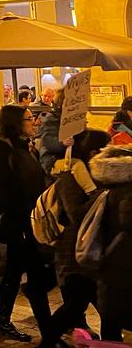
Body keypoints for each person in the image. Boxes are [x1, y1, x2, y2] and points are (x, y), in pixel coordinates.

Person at [0, 104, 52, 342]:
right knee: (34, 276)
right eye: (29, 119)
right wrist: (20, 221)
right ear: (15, 123)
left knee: (15, 273)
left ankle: (3, 322)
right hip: (19, 224)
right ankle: (49, 332)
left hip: (28, 222)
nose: (35, 123)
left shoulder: (23, 148)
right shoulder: (0, 150)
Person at [39, 129, 111, 348]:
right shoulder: (69, 174)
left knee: (103, 307)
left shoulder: (94, 174)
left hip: (90, 252)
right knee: (75, 306)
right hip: (72, 252)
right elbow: (76, 214)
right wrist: (101, 197)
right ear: (92, 152)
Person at [87, 141, 132, 342]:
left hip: (109, 267)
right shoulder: (128, 192)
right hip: (124, 267)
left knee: (111, 322)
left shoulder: (106, 187)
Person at [37, 87, 67, 173]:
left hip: (65, 156)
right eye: (45, 96)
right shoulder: (51, 118)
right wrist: (62, 143)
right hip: (51, 159)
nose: (46, 98)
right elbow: (48, 142)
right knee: (78, 166)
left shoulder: (73, 119)